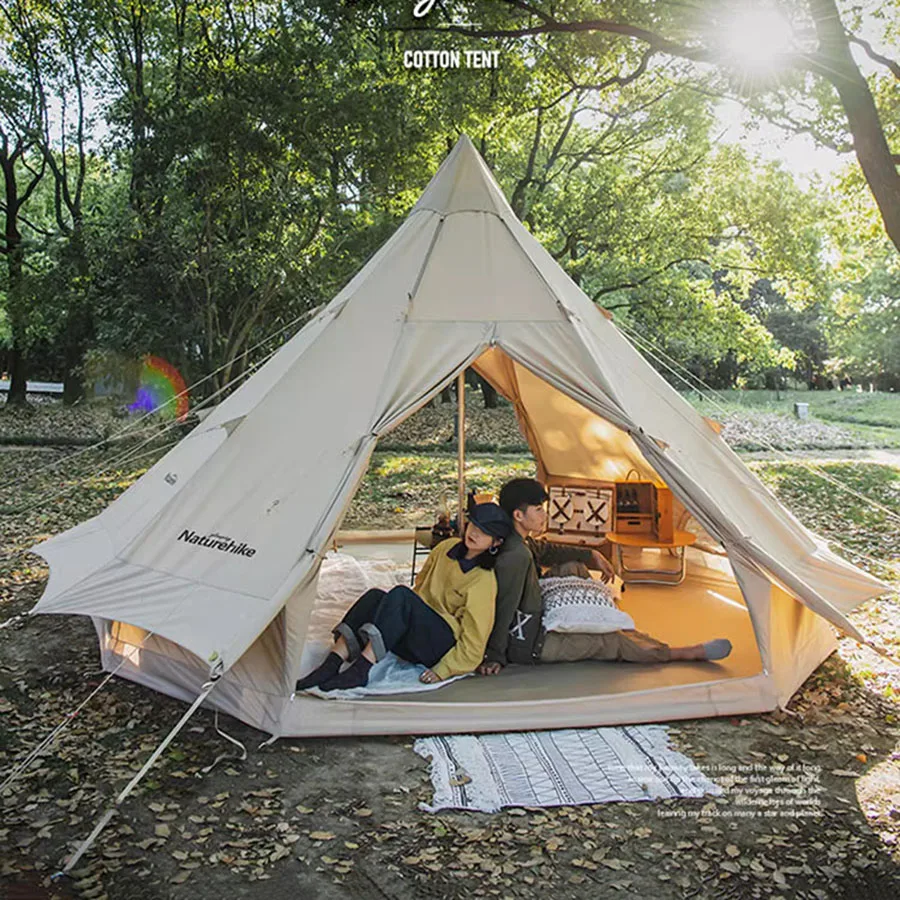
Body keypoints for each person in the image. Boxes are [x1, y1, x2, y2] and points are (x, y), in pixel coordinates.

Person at [478, 478, 732, 675]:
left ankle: (597, 611)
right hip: (533, 641)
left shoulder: (519, 540)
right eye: (538, 510)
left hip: (537, 604)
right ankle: (684, 653)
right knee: (609, 642)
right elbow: (505, 606)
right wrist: (495, 655)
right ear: (518, 515)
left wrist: (590, 554)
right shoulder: (515, 555)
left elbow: (546, 550)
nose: (545, 515)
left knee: (572, 566)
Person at [296, 500, 513, 692]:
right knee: (375, 596)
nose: (474, 533)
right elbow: (420, 585)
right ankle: (331, 663)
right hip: (418, 629)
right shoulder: (446, 548)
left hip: (439, 643)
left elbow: (475, 642)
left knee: (401, 595)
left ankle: (362, 669)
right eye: (474, 525)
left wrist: (444, 670)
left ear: (496, 542)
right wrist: (400, 617)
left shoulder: (483, 581)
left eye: (484, 532)